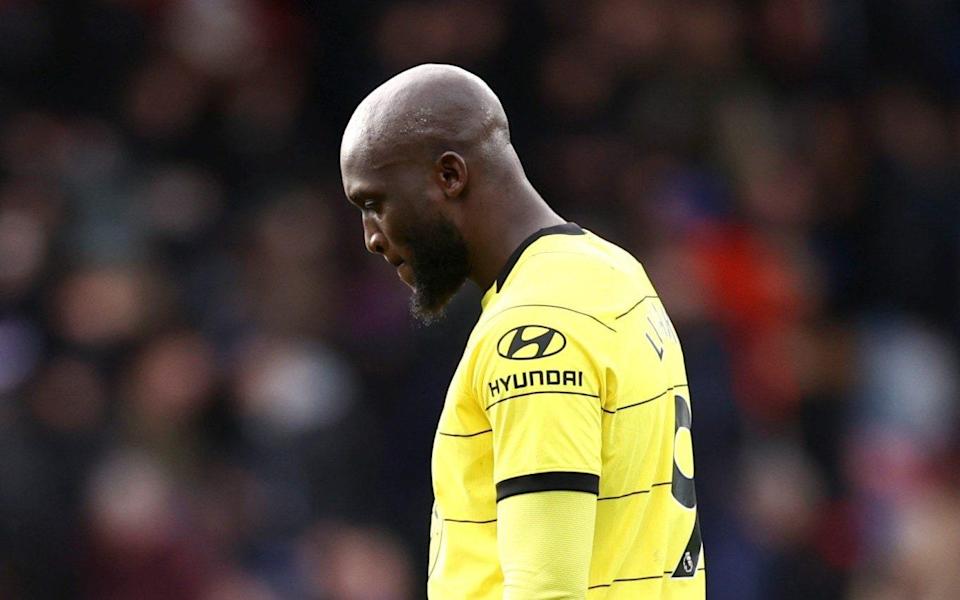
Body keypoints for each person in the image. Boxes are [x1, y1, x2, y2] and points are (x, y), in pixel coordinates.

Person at [340, 64, 705, 599]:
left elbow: (547, 591)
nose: (371, 237)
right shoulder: (612, 271)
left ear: (449, 176)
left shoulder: (533, 332)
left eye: (375, 203)